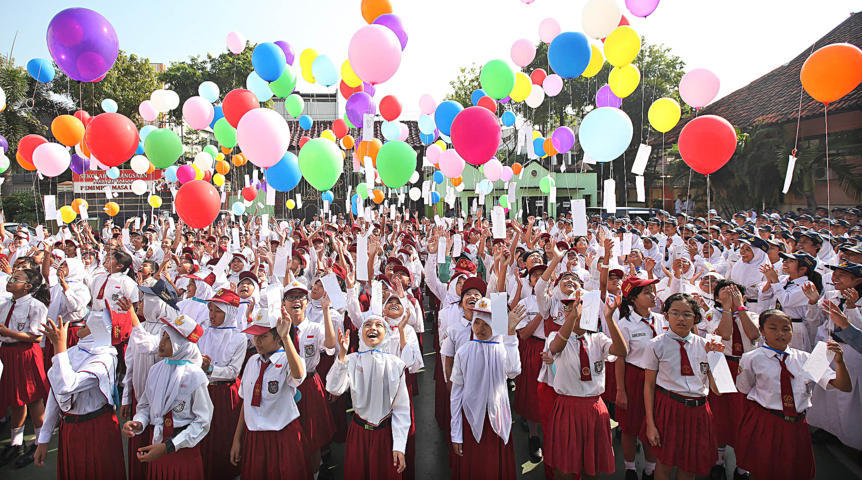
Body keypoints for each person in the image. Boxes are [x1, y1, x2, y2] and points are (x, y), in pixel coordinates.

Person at [734, 310, 852, 480]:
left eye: (786, 328)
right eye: (773, 328)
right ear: (762, 331)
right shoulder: (751, 358)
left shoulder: (806, 358)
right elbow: (744, 388)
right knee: (764, 470)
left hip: (796, 425)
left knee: (795, 472)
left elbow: (844, 386)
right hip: (767, 422)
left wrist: (839, 363)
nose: (780, 333)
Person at [544, 292, 628, 479]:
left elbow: (621, 351)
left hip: (594, 408)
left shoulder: (597, 339)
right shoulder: (554, 336)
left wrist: (609, 318)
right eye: (567, 306)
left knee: (592, 467)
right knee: (565, 468)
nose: (571, 309)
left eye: (576, 305)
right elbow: (555, 348)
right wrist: (572, 318)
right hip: (568, 407)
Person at [33, 309, 125, 479]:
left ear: (99, 329)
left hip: (94, 429)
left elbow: (67, 385)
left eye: (89, 322)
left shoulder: (106, 358)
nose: (83, 322)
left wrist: (59, 347)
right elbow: (55, 394)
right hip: (70, 428)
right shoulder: (75, 351)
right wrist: (44, 439)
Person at [122, 313, 214, 479]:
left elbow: (203, 421)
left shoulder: (194, 376)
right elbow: (145, 405)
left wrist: (169, 446)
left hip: (183, 450)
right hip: (157, 446)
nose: (161, 343)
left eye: (168, 339)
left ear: (181, 345)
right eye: (162, 336)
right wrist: (139, 422)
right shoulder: (157, 370)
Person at [644, 293, 723, 480]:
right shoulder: (656, 345)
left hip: (698, 411)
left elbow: (717, 390)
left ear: (695, 318)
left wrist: (717, 359)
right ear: (666, 315)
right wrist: (650, 424)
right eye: (675, 313)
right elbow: (648, 386)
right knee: (664, 463)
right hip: (669, 408)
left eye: (687, 314)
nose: (681, 318)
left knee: (690, 465)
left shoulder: (705, 345)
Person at [229, 307, 309, 479]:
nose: (257, 341)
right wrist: (237, 439)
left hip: (282, 435)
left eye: (263, 336)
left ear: (277, 337)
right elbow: (246, 402)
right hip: (255, 438)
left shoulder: (287, 359)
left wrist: (286, 337)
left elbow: (298, 374)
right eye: (255, 336)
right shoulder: (252, 361)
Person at [326, 315, 410, 480]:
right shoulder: (351, 360)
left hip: (385, 435)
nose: (373, 328)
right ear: (361, 333)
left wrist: (399, 445)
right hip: (359, 433)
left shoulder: (395, 364)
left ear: (385, 333)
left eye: (379, 325)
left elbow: (401, 408)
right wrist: (342, 356)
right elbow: (334, 388)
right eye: (367, 325)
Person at [449, 298, 524, 479]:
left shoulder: (502, 348)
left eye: (486, 324)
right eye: (477, 323)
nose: (480, 329)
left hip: (496, 420)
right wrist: (456, 432)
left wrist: (511, 334)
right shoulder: (464, 352)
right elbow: (456, 394)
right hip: (471, 418)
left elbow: (513, 370)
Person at [616, 276, 665, 480]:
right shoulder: (625, 324)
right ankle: (629, 467)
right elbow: (620, 358)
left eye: (652, 291)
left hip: (659, 379)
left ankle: (650, 468)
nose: (652, 295)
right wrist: (621, 390)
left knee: (652, 423)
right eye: (646, 292)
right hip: (635, 378)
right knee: (630, 426)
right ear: (634, 299)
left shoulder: (661, 320)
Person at [0, 268, 50, 468]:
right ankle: (16, 442)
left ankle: (39, 441)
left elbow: (36, 336)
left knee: (33, 397)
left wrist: (7, 331)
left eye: (16, 279)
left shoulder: (35, 306)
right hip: (8, 353)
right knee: (15, 398)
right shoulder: (5, 304)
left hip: (25, 352)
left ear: (28, 286)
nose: (10, 281)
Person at [198, 289, 247, 480]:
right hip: (202, 390)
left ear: (230, 312)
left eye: (218, 310)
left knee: (223, 436)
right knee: (204, 435)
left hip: (225, 393)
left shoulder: (238, 337)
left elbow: (233, 371)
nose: (212, 315)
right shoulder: (203, 332)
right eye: (210, 309)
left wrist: (211, 369)